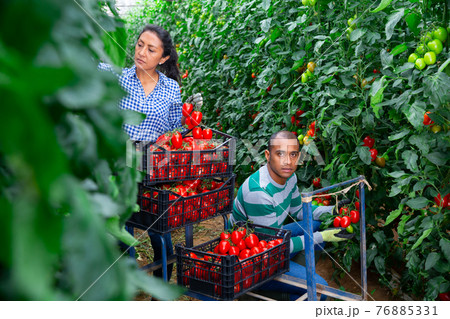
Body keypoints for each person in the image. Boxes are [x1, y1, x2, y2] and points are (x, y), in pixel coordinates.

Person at [99, 24, 187, 280]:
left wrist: (185, 119)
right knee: (122, 232)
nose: (142, 52)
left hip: (154, 172)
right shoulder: (117, 77)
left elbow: (175, 132)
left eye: (151, 49)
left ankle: (159, 291)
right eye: (139, 45)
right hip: (119, 170)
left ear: (163, 58)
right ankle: (125, 285)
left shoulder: (171, 89)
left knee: (160, 233)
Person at [230, 131, 353, 300]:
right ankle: (268, 291)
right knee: (319, 290)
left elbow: (299, 211)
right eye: (280, 154)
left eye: (293, 154)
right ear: (267, 155)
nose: (288, 161)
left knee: (317, 224)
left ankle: (289, 279)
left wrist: (331, 211)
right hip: (253, 262)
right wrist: (320, 237)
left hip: (271, 243)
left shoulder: (290, 177)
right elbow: (273, 247)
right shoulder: (258, 192)